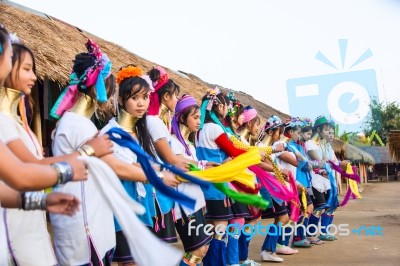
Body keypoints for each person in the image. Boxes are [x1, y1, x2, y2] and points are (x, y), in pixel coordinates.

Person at [100, 65, 180, 265]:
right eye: (134, 98)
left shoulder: (141, 131)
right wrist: (161, 176)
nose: (141, 103)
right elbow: (126, 169)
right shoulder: (112, 131)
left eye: (144, 97)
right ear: (120, 99)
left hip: (142, 205)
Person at [170, 94, 212, 266]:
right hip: (184, 206)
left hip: (195, 203)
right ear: (181, 117)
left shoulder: (190, 146)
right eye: (195, 117)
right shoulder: (172, 143)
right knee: (197, 249)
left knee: (203, 248)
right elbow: (186, 167)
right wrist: (209, 167)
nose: (199, 122)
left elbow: (197, 166)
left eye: (200, 117)